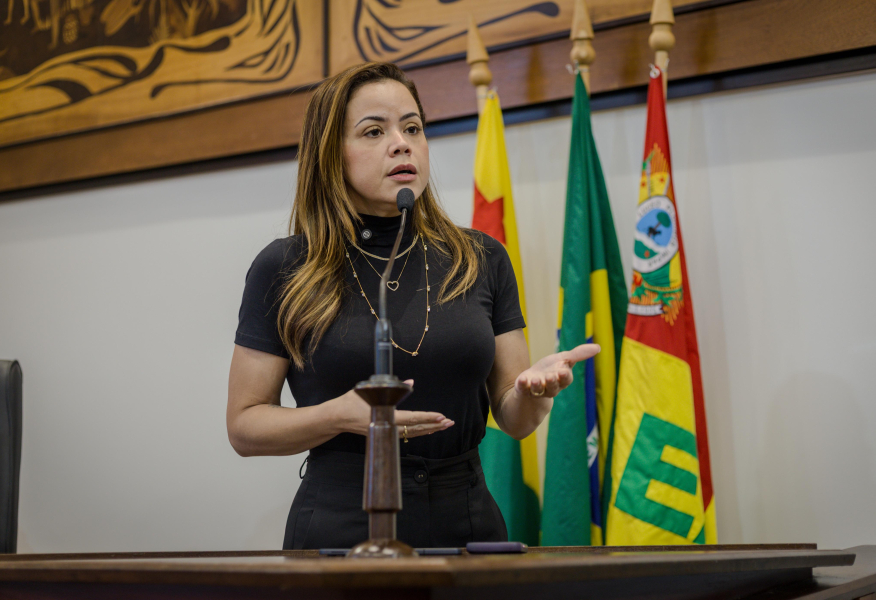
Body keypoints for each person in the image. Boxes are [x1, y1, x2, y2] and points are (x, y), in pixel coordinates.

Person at [227, 62, 599, 550]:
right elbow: (245, 425)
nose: (401, 143)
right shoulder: (286, 266)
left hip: (465, 521)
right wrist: (339, 415)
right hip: (341, 524)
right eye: (374, 131)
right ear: (329, 154)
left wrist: (535, 391)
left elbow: (515, 418)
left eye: (413, 127)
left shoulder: (480, 258)